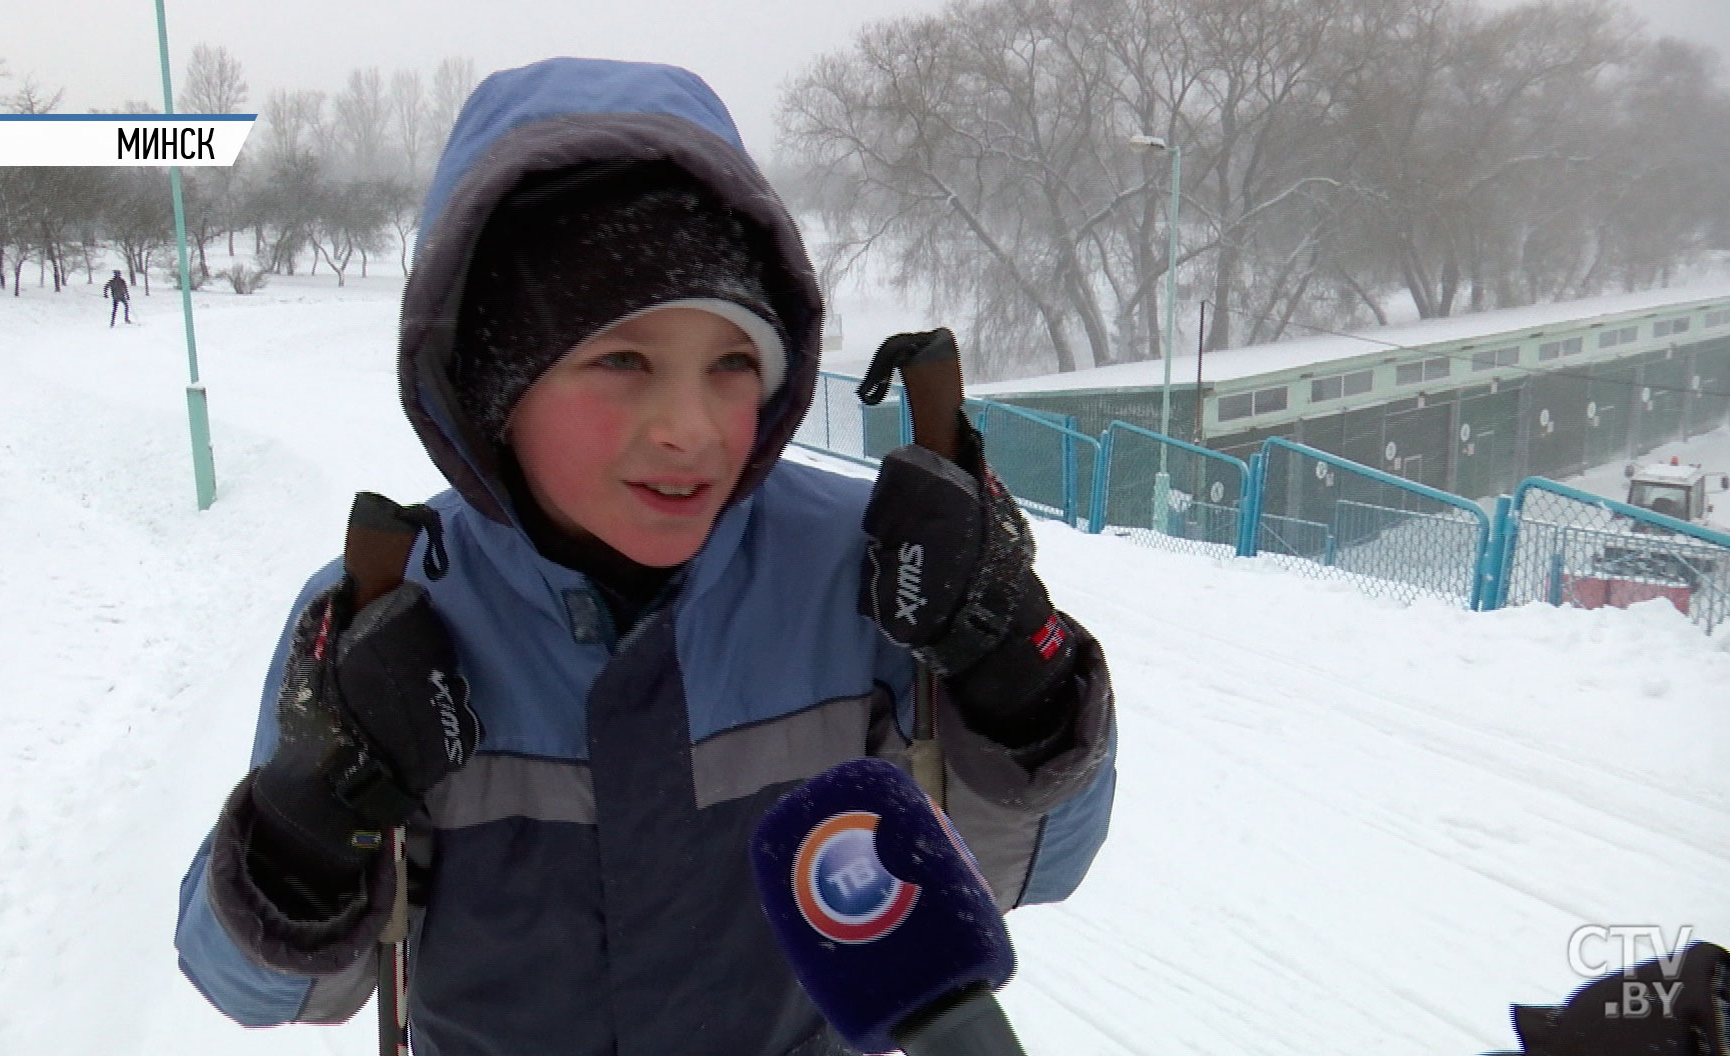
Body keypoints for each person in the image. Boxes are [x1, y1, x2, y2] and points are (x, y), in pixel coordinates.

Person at [173, 57, 1118, 1056]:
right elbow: (259, 990)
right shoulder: (384, 617)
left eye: (730, 366)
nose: (692, 429)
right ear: (491, 385)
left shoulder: (864, 576)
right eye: (622, 362)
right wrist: (315, 815)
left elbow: (1031, 869)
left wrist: (1016, 669)